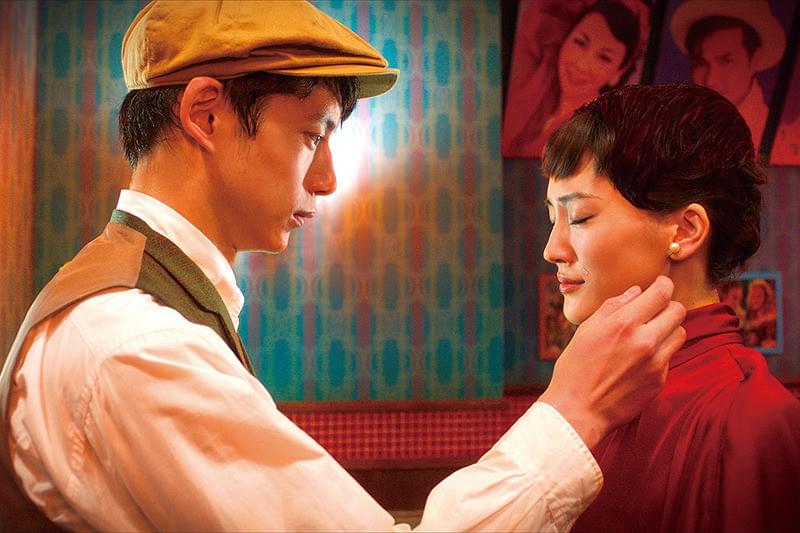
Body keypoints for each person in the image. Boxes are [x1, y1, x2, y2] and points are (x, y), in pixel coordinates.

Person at [0, 1, 687, 531]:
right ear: (205, 115)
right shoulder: (135, 344)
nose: (327, 180)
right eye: (312, 135)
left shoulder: (136, 307)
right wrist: (575, 408)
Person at [538, 83, 800, 533]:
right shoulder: (592, 386)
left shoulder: (752, 418)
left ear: (685, 230)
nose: (552, 249)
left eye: (579, 217)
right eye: (551, 218)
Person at [502, 0, 649, 158]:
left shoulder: (596, 133)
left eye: (604, 57)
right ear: (566, 39)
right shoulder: (536, 86)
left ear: (618, 73)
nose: (581, 64)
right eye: (580, 42)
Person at [670, 0, 786, 150]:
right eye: (700, 63)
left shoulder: (780, 145)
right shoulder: (676, 128)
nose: (710, 81)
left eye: (726, 61)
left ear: (755, 59)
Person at [743, 278, 778, 349]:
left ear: (766, 297)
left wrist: (774, 343)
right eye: (753, 295)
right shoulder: (749, 313)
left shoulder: (772, 314)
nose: (755, 300)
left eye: (759, 296)